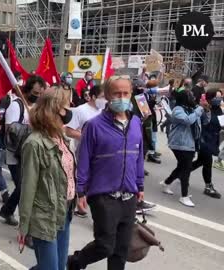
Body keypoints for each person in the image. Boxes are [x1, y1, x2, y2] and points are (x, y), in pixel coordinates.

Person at [67, 76, 145, 270]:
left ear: (131, 94)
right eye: (116, 93)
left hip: (129, 196)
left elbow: (139, 157)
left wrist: (140, 185)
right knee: (105, 246)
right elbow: (84, 159)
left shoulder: (136, 123)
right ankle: (75, 261)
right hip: (103, 196)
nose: (122, 97)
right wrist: (81, 191)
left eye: (125, 93)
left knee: (121, 250)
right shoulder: (94, 125)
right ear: (108, 96)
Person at [18, 87, 75, 270]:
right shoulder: (34, 144)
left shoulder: (61, 137)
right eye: (67, 106)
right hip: (44, 216)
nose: (70, 110)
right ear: (55, 109)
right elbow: (28, 187)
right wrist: (24, 226)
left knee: (59, 266)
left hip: (64, 211)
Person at [0, 75, 46, 226]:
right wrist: (29, 128)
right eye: (35, 92)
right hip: (15, 153)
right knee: (24, 188)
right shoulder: (16, 105)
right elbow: (9, 129)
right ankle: (27, 227)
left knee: (24, 187)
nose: (37, 96)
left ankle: (7, 210)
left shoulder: (36, 107)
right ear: (28, 89)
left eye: (40, 94)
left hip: (31, 152)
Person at [65, 85, 105, 218]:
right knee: (83, 179)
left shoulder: (104, 111)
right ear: (93, 97)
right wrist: (88, 138)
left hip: (100, 153)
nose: (105, 100)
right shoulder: (80, 111)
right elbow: (69, 131)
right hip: (82, 151)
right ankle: (79, 204)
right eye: (102, 97)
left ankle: (90, 206)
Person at [161, 90, 205, 207]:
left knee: (182, 166)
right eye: (190, 96)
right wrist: (199, 109)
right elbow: (188, 120)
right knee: (186, 168)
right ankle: (184, 196)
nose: (193, 97)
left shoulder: (192, 109)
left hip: (190, 143)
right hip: (180, 143)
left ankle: (166, 183)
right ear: (184, 98)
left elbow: (202, 122)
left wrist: (206, 110)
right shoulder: (178, 110)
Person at [190, 89, 222, 199]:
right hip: (203, 139)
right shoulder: (203, 109)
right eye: (216, 97)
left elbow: (219, 122)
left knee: (201, 161)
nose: (218, 100)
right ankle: (208, 186)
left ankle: (181, 172)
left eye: (220, 97)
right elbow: (202, 123)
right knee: (207, 162)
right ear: (209, 98)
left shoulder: (219, 110)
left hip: (213, 139)